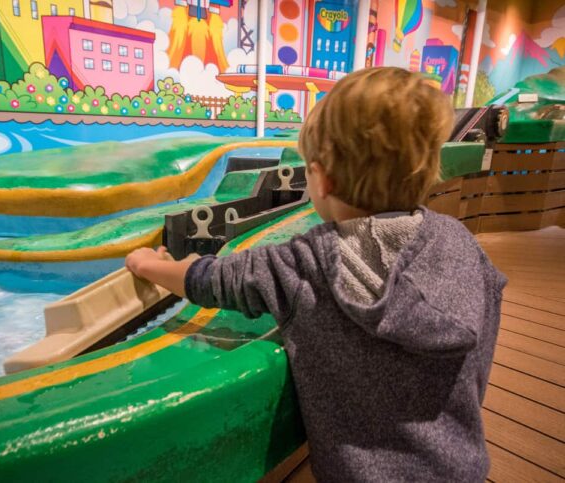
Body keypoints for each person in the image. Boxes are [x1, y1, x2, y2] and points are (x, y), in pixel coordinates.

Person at [125, 67, 507, 482]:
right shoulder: (460, 244)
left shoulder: (306, 262)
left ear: (321, 181)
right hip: (459, 470)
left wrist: (146, 264)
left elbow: (212, 280)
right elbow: (480, 348)